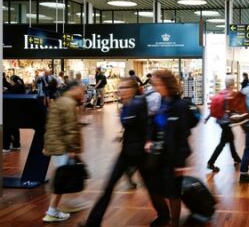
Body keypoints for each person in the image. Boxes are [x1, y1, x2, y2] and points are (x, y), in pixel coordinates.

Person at [81, 78, 171, 227]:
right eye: (119, 88)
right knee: (109, 186)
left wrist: (148, 141)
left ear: (132, 89)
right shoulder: (126, 104)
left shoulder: (138, 103)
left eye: (123, 88)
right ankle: (92, 222)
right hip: (127, 152)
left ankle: (164, 216)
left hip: (140, 153)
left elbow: (148, 123)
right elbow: (131, 126)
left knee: (151, 186)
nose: (120, 90)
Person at [147, 70, 192, 227]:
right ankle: (164, 216)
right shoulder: (162, 102)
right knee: (155, 187)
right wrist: (149, 140)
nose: (155, 87)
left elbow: (183, 135)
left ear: (167, 84)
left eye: (158, 83)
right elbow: (157, 125)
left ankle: (174, 223)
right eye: (154, 84)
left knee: (173, 192)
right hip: (160, 154)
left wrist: (180, 163)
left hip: (173, 157)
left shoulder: (180, 106)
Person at [42, 81, 85, 223]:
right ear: (73, 89)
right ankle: (52, 211)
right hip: (64, 146)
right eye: (81, 89)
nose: (82, 92)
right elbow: (71, 128)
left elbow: (52, 125)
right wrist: (73, 148)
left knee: (61, 176)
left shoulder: (61, 101)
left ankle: (57, 207)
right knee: (61, 179)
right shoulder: (68, 104)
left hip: (56, 145)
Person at [207, 75, 242, 172]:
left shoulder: (221, 92)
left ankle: (236, 158)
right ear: (232, 84)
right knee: (222, 143)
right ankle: (210, 162)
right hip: (226, 122)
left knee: (230, 139)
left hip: (220, 121)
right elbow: (233, 110)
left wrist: (208, 117)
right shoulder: (230, 95)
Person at [3, 75, 26, 152]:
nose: (10, 82)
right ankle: (16, 144)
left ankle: (6, 146)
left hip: (11, 110)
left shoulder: (16, 87)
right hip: (16, 110)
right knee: (14, 128)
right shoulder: (20, 86)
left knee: (7, 128)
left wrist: (4, 91)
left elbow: (9, 95)